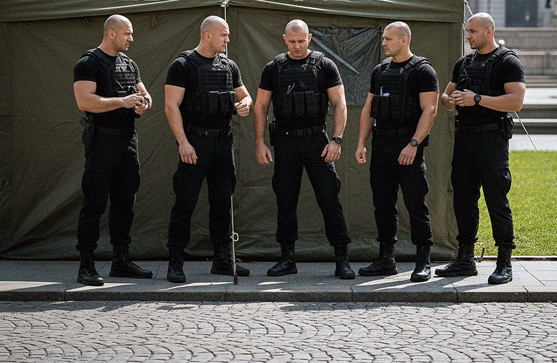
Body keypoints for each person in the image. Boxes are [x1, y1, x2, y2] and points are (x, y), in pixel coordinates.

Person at [253, 20, 354, 280]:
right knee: (285, 200)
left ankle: (342, 259)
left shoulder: (325, 65)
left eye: (301, 41)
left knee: (329, 198)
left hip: (317, 141)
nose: (297, 46)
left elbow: (340, 103)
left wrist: (337, 140)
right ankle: (287, 258)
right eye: (292, 41)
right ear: (284, 39)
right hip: (285, 142)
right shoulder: (274, 68)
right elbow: (261, 106)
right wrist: (260, 142)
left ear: (309, 38)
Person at [163, 15, 253, 283]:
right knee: (185, 203)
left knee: (223, 203)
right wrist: (183, 142)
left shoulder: (229, 65)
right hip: (195, 142)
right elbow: (170, 106)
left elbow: (246, 95)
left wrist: (245, 105)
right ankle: (175, 261)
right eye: (224, 35)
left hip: (223, 143)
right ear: (207, 35)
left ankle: (222, 259)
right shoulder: (182, 65)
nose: (227, 40)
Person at [437, 13, 525, 284]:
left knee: (496, 201)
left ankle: (504, 263)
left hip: (492, 141)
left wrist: (476, 99)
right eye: (467, 31)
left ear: (489, 31)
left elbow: (516, 101)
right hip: (464, 140)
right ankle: (465, 260)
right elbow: (446, 97)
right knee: (463, 200)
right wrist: (450, 100)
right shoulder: (464, 63)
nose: (468, 36)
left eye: (473, 31)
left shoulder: (508, 61)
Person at [72, 15, 153, 286]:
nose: (131, 39)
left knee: (125, 202)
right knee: (94, 202)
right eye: (127, 34)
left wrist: (143, 103)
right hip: (102, 141)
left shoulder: (129, 64)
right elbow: (85, 101)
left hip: (128, 141)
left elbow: (145, 94)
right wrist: (123, 102)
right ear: (111, 33)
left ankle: (121, 261)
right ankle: (86, 265)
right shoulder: (89, 63)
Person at [355, 22, 438, 282]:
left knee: (415, 204)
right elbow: (369, 108)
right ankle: (386, 259)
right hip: (382, 145)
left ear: (404, 40)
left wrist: (413, 144)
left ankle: (423, 261)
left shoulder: (423, 70)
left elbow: (430, 110)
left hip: (407, 145)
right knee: (383, 204)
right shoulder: (380, 70)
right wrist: (361, 142)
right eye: (384, 38)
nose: (384, 43)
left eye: (388, 39)